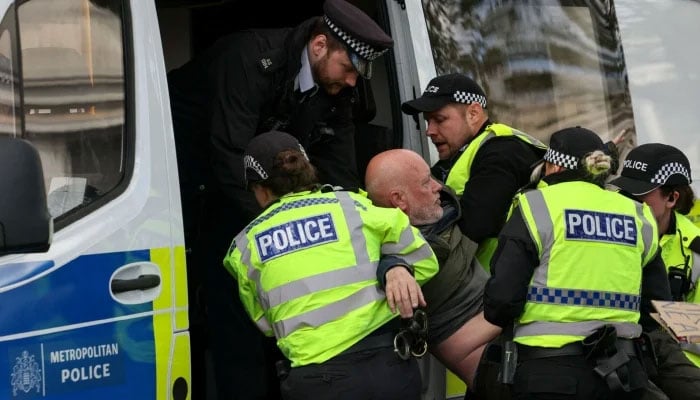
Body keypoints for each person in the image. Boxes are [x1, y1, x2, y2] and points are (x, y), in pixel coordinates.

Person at [167, 1, 394, 398]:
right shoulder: (250, 61)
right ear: (320, 45)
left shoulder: (335, 85)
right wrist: (286, 227)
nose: (354, 83)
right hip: (191, 176)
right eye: (349, 69)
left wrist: (357, 221)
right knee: (231, 310)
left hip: (253, 185)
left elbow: (339, 169)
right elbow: (229, 158)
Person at [223, 130, 439, 400]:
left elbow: (265, 324)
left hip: (317, 383)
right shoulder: (353, 206)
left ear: (260, 190)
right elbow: (425, 261)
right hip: (388, 370)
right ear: (307, 171)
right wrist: (394, 266)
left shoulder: (244, 248)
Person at [483, 127, 672, 399]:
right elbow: (656, 306)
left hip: (549, 374)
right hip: (623, 373)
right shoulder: (637, 213)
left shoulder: (536, 206)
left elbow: (501, 301)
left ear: (553, 166)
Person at [364, 149, 502, 387]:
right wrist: (393, 267)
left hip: (503, 320)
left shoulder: (442, 211)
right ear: (399, 200)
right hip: (488, 348)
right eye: (427, 182)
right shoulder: (387, 254)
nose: (438, 186)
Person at [401, 73, 546, 271]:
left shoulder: (502, 152)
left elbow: (474, 226)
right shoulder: (461, 153)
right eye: (427, 121)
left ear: (473, 114)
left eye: (439, 119)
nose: (429, 131)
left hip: (501, 289)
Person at [608, 143, 700, 398]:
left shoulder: (695, 251)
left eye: (639, 195)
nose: (627, 201)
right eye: (624, 191)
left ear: (672, 198)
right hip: (612, 350)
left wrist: (662, 313)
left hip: (679, 366)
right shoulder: (606, 230)